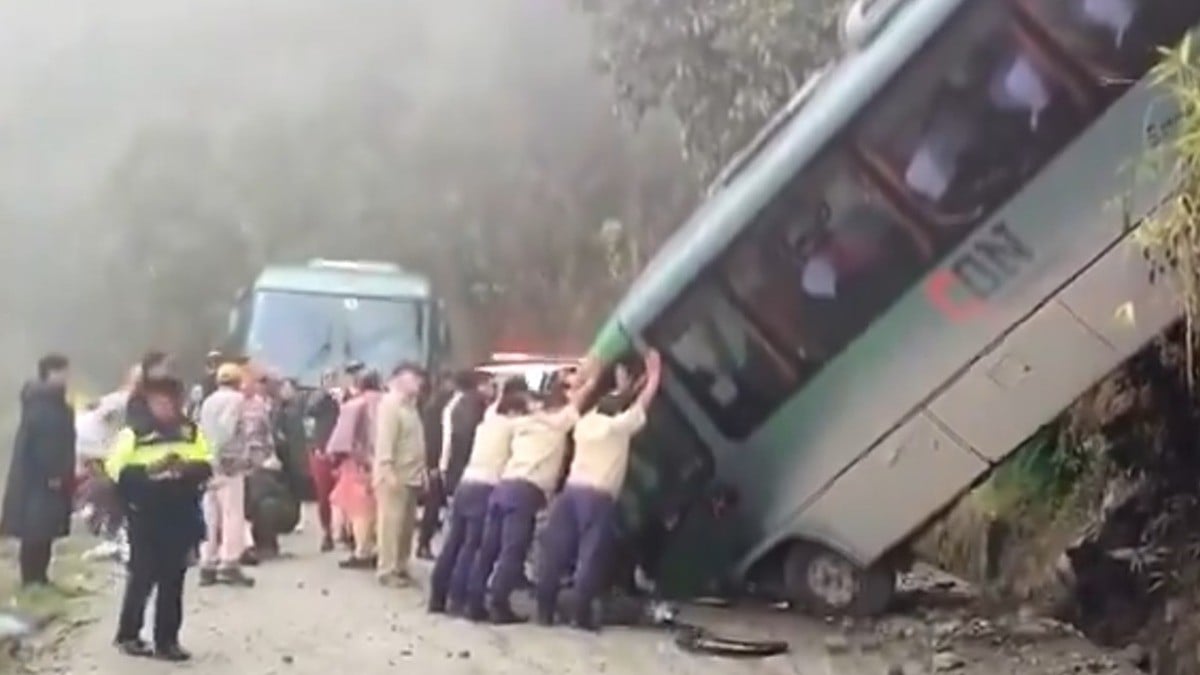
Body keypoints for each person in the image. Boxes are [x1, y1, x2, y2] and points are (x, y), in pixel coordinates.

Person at [536, 350, 662, 630]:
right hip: (597, 497)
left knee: (556, 552)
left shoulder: (585, 424)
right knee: (589, 556)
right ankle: (580, 616)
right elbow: (640, 408)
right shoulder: (615, 428)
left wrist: (598, 381)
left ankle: (544, 611)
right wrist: (653, 378)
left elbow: (593, 405)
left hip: (570, 493)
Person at [465, 372, 597, 624]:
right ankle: (498, 605)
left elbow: (498, 411)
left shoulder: (524, 422)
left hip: (503, 486)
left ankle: (474, 601)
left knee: (489, 549)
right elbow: (581, 399)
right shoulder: (558, 424)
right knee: (512, 552)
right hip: (525, 492)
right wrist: (591, 376)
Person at [105, 376, 211, 661]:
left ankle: (167, 640)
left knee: (174, 579)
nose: (166, 407)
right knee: (142, 575)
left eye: (171, 401)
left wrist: (184, 470)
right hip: (146, 513)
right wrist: (150, 473)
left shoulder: (190, 432)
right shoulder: (134, 433)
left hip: (181, 512)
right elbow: (115, 469)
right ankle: (128, 634)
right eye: (159, 401)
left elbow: (206, 463)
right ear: (149, 402)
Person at [428, 377, 528, 614]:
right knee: (472, 546)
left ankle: (438, 596)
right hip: (486, 487)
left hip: (466, 482)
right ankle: (459, 598)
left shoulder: (487, 421)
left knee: (453, 542)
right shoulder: (513, 426)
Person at [0, 354, 76, 587]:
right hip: (38, 479)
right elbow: (43, 444)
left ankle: (40, 577)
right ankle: (31, 578)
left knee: (47, 529)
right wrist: (51, 473)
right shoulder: (41, 404)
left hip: (54, 476)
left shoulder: (58, 404)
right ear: (49, 373)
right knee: (35, 530)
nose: (66, 377)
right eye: (62, 371)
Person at [196, 363, 255, 587]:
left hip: (208, 466)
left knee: (210, 516)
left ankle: (207, 562)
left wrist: (206, 456)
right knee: (232, 515)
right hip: (228, 464)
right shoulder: (237, 401)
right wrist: (219, 455)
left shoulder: (208, 401)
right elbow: (226, 429)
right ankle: (229, 562)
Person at [372, 363, 427, 587]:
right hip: (394, 475)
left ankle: (401, 565)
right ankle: (387, 569)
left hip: (412, 475)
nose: (419, 384)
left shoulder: (411, 407)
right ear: (400, 379)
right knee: (390, 525)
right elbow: (385, 441)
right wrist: (387, 469)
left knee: (406, 526)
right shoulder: (390, 406)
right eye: (415, 379)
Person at [328, 370, 385, 569]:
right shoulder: (388, 403)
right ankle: (381, 549)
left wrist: (334, 459)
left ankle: (362, 550)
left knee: (359, 509)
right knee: (379, 508)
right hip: (385, 463)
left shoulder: (354, 405)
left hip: (359, 463)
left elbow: (341, 441)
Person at [235, 367, 283, 565]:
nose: (249, 387)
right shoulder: (234, 404)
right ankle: (243, 545)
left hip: (258, 460)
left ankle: (264, 542)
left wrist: (270, 454)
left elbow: (267, 432)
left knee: (259, 501)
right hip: (239, 460)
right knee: (240, 505)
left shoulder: (260, 405)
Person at [416, 374, 458, 560]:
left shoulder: (434, 405)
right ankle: (423, 544)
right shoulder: (440, 407)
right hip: (439, 462)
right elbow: (433, 437)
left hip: (437, 461)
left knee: (433, 506)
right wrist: (433, 464)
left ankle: (423, 543)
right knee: (433, 506)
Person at [305, 368, 343, 552]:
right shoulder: (318, 399)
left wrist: (342, 400)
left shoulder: (347, 398)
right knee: (324, 495)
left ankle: (348, 533)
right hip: (322, 451)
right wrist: (325, 396)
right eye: (327, 378)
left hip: (343, 453)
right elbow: (309, 411)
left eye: (334, 378)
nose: (332, 382)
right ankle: (326, 532)